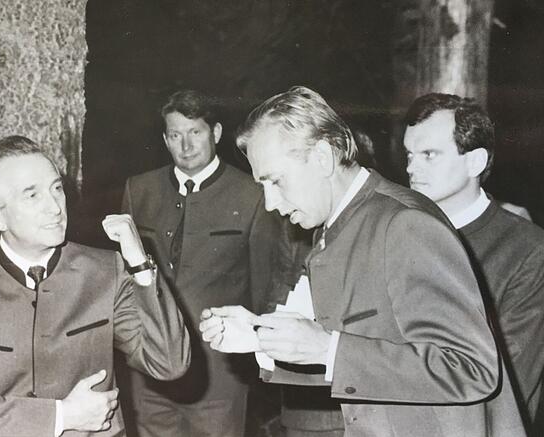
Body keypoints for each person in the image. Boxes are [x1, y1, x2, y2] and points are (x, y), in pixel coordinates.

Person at [199, 86, 525, 436]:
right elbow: (364, 364)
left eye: (275, 181)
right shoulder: (338, 225)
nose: (270, 204)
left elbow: (471, 368)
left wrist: (328, 348)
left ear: (323, 157)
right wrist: (260, 339)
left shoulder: (404, 224)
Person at [0, 135, 190, 436]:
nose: (56, 207)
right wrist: (58, 417)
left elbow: (168, 363)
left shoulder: (105, 269)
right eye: (32, 196)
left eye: (56, 189)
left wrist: (140, 265)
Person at [121, 90, 279, 437]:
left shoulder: (251, 195)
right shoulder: (139, 190)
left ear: (217, 133)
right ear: (165, 139)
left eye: (195, 133)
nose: (186, 145)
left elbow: (265, 286)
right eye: (175, 135)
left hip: (219, 373)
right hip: (150, 369)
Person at [403, 92, 544, 429]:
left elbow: (511, 385)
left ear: (475, 162)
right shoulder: (398, 229)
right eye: (409, 154)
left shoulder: (527, 250)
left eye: (428, 155)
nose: (411, 168)